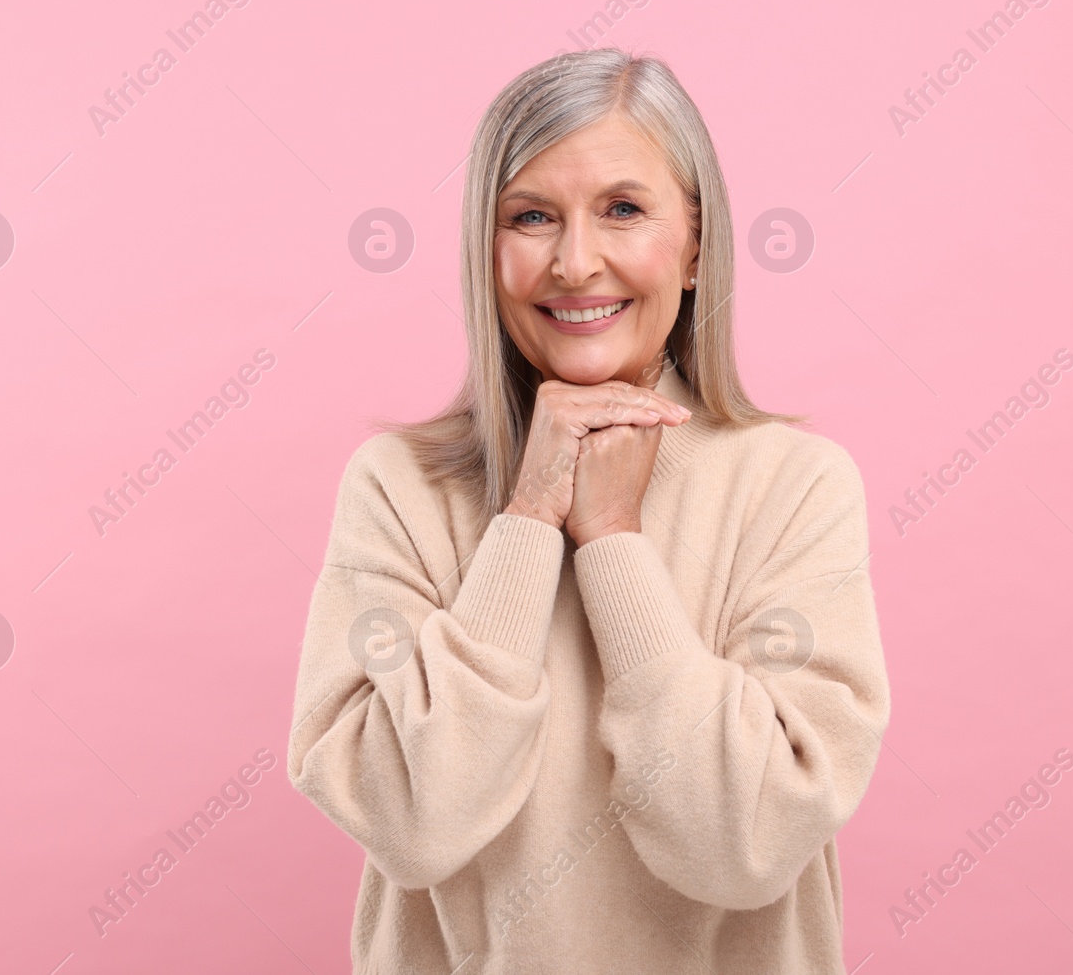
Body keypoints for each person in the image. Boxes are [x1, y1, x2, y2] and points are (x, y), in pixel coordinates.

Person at [287, 47, 891, 974]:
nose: (575, 262)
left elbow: (748, 842)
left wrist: (612, 540)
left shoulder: (794, 486)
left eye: (622, 209)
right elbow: (411, 821)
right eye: (531, 216)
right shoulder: (397, 487)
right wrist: (529, 519)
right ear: (486, 257)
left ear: (694, 246)